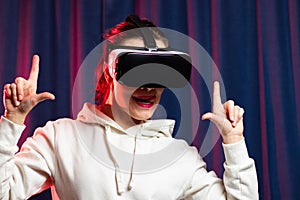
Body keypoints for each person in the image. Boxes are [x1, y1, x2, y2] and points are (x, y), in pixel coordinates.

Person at [0, 15, 258, 199]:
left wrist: (234, 142)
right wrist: (12, 122)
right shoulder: (60, 137)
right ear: (109, 70)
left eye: (161, 73)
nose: (149, 87)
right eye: (137, 70)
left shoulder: (180, 157)